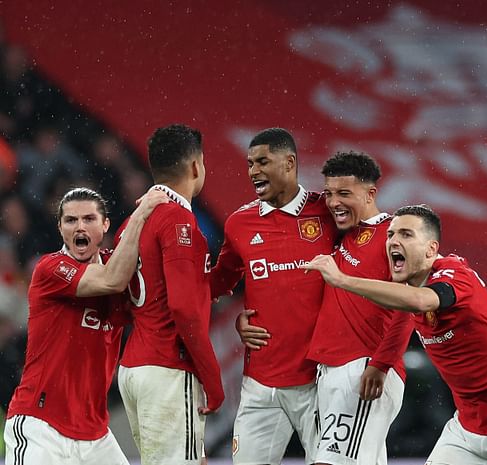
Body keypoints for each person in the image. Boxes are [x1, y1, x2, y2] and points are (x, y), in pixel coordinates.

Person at [301, 204, 487, 465]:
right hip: (468, 426)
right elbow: (404, 309)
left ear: (431, 249)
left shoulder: (455, 275)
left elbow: (422, 301)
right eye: (390, 234)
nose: (393, 242)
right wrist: (381, 363)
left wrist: (342, 280)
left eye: (406, 234)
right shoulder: (410, 285)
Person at [3, 186, 167, 464]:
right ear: (60, 228)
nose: (80, 227)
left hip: (95, 435)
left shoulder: (119, 265)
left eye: (89, 219)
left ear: (105, 225)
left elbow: (165, 299)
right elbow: (110, 281)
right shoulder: (50, 268)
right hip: (41, 426)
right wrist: (141, 216)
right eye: (71, 220)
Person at [210, 128, 335, 464]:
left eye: (263, 161)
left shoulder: (329, 213)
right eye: (250, 164)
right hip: (261, 383)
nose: (253, 171)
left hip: (320, 381)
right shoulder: (239, 223)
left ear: (290, 162)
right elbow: (217, 284)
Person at [116, 124, 225, 465]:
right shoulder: (179, 222)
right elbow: (184, 309)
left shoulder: (132, 221)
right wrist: (213, 378)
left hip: (134, 367)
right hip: (168, 369)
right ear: (196, 166)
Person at [308, 151, 413, 465]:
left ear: (370, 194)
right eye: (329, 193)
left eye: (344, 194)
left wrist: (381, 364)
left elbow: (410, 305)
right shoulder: (344, 236)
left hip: (364, 367)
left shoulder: (393, 236)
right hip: (331, 370)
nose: (333, 202)